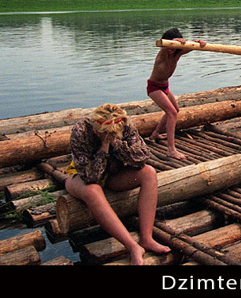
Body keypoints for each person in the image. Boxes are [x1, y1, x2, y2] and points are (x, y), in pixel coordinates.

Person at [64, 103, 171, 265]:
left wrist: (115, 143)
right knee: (93, 190)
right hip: (81, 176)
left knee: (149, 173)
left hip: (114, 174)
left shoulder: (126, 125)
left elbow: (142, 157)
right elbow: (91, 176)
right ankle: (133, 246)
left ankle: (147, 239)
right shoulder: (80, 130)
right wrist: (104, 147)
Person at [147, 27, 206, 160]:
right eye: (169, 45)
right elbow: (164, 46)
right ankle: (171, 150)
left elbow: (192, 47)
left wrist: (198, 42)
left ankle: (155, 134)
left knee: (175, 110)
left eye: (173, 46)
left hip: (165, 86)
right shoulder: (162, 54)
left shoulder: (177, 54)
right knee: (172, 113)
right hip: (154, 87)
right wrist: (171, 41)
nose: (170, 49)